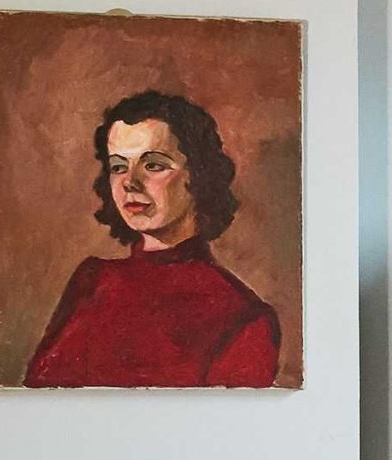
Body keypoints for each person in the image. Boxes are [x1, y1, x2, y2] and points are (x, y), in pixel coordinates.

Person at [26, 90, 281, 388]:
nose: (129, 183)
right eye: (118, 166)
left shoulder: (244, 318)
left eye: (154, 165)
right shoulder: (92, 281)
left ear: (198, 175)